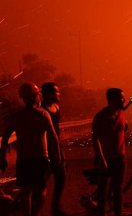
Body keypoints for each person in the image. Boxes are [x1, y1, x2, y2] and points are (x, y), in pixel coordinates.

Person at [0, 82, 61, 216]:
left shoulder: (17, 117)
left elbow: (5, 138)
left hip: (23, 159)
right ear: (35, 96)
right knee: (41, 189)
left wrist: (2, 157)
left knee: (26, 191)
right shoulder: (43, 114)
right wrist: (57, 156)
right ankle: (36, 213)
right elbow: (53, 136)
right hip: (40, 158)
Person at [92, 88, 128, 216]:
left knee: (118, 190)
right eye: (121, 98)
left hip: (120, 158)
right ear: (111, 100)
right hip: (105, 158)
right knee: (103, 190)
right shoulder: (101, 117)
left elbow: (123, 130)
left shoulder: (122, 114)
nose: (123, 100)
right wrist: (101, 159)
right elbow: (96, 139)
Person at [41, 82, 66, 216]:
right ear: (50, 94)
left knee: (61, 177)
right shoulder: (42, 109)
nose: (59, 94)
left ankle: (55, 207)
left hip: (56, 145)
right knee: (42, 181)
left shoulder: (56, 107)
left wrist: (59, 149)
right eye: (57, 92)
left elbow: (57, 129)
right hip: (45, 148)